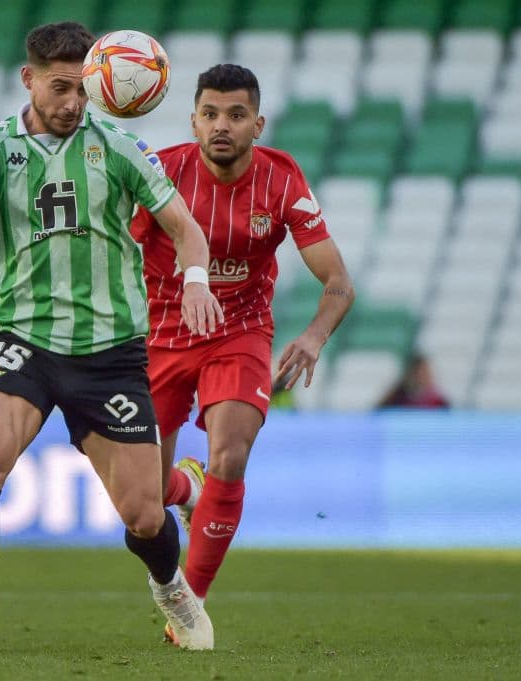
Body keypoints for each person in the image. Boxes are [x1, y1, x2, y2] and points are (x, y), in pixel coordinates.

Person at [0, 22, 224, 655]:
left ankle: (170, 585)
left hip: (110, 352)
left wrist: (197, 282)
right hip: (26, 340)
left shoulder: (119, 147)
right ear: (28, 79)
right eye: (60, 88)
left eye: (82, 90)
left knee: (143, 514)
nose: (72, 103)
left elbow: (186, 229)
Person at [129, 64, 355, 643]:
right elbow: (114, 253)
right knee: (143, 500)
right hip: (161, 335)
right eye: (209, 114)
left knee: (230, 455)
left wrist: (313, 336)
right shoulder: (162, 173)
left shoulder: (282, 179)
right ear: (194, 122)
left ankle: (191, 604)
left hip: (240, 332)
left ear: (258, 123)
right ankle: (187, 490)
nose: (221, 126)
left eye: (235, 115)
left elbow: (337, 282)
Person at [378, 353, 450, 408]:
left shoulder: (438, 401)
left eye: (427, 372)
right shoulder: (397, 397)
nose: (426, 376)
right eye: (422, 372)